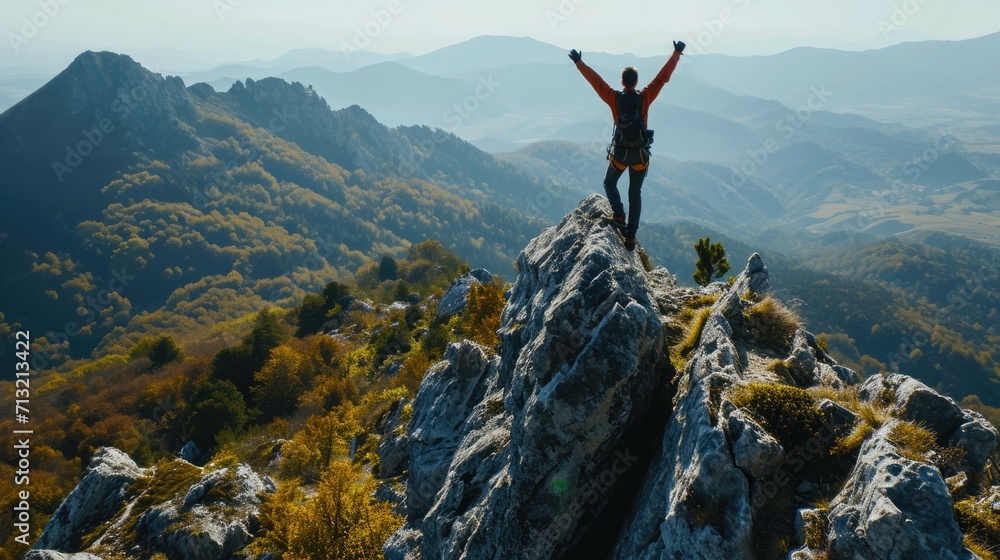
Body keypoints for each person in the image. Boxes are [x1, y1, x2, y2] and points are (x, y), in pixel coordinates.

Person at [569, 41, 685, 250]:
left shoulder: (614, 97)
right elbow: (662, 78)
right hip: (640, 156)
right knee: (635, 194)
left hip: (620, 155)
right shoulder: (646, 96)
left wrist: (579, 62)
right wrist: (677, 53)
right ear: (636, 81)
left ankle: (618, 215)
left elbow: (597, 82)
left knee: (609, 183)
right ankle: (630, 237)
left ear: (622, 82)